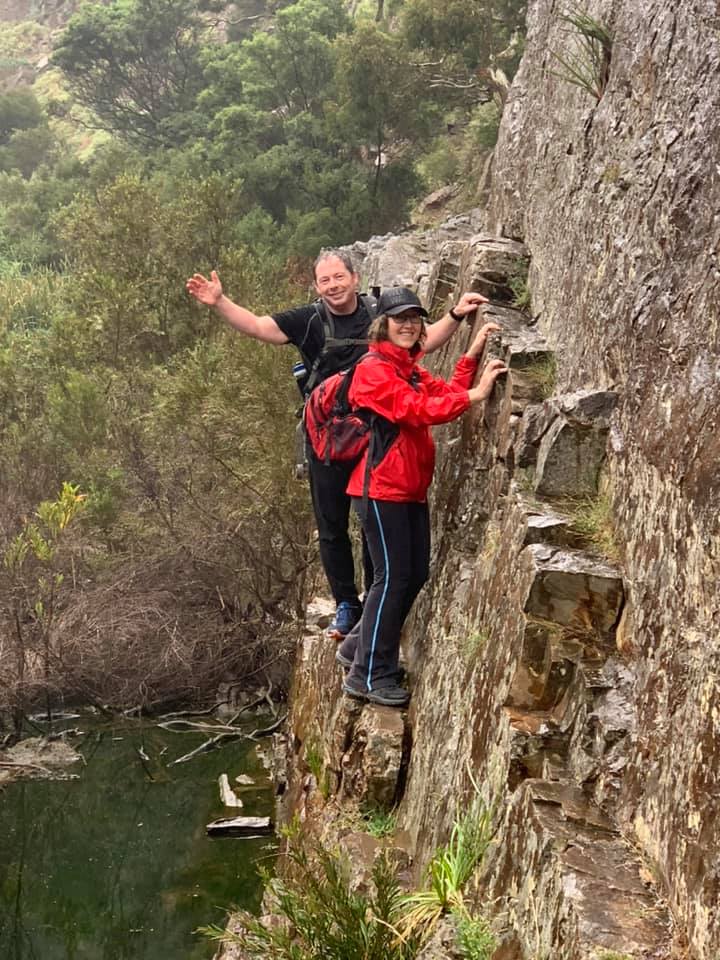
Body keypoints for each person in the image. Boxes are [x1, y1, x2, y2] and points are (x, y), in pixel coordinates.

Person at [186, 252, 488, 639]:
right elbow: (259, 327)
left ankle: (375, 596)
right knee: (331, 524)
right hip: (328, 437)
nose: (333, 285)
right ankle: (347, 604)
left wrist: (457, 315)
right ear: (316, 286)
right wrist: (220, 302)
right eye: (325, 280)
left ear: (355, 277)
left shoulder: (378, 312)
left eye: (339, 277)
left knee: (373, 519)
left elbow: (420, 343)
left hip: (375, 436)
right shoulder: (309, 320)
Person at [336, 286, 506, 708]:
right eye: (400, 319)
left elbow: (442, 395)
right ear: (383, 324)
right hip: (381, 489)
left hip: (409, 488)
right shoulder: (373, 370)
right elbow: (415, 410)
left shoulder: (406, 367)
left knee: (413, 576)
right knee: (392, 578)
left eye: (414, 318)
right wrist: (476, 395)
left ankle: (356, 647)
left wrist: (471, 355)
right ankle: (369, 675)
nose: (408, 325)